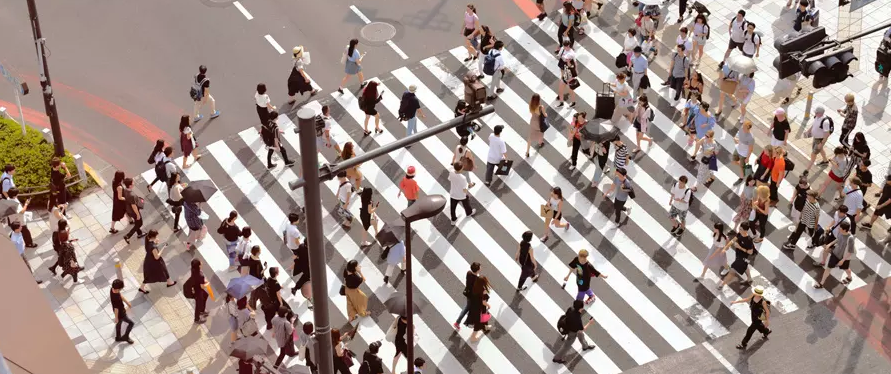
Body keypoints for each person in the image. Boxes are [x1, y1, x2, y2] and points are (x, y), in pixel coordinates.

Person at [137, 230, 176, 294]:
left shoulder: (147, 240)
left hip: (149, 261)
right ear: (153, 237)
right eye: (156, 236)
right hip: (155, 263)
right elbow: (157, 257)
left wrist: (155, 243)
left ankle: (142, 287)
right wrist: (164, 247)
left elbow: (150, 249)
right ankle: (169, 282)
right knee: (164, 270)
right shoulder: (153, 247)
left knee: (149, 275)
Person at [715, 223, 753, 288]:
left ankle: (721, 285)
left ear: (745, 231)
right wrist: (726, 247)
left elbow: (750, 252)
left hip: (742, 258)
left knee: (732, 272)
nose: (739, 230)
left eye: (741, 229)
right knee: (745, 266)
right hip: (738, 256)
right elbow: (733, 240)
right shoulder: (739, 234)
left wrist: (739, 247)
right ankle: (749, 279)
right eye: (739, 228)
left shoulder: (749, 240)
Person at [803, 107, 832, 173]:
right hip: (816, 138)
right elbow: (814, 125)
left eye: (816, 112)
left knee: (813, 154)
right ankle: (825, 161)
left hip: (820, 140)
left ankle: (807, 170)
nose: (815, 113)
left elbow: (827, 134)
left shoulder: (825, 122)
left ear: (820, 113)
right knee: (820, 150)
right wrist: (808, 131)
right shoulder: (817, 117)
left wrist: (821, 143)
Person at [454, 262, 481, 330]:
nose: (480, 268)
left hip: (468, 294)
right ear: (477, 270)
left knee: (468, 307)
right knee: (470, 309)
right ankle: (458, 322)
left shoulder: (469, 273)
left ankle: (458, 322)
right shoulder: (477, 279)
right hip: (473, 297)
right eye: (479, 267)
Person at [467, 276, 492, 342]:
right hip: (480, 309)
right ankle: (473, 337)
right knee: (478, 323)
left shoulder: (474, 288)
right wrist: (488, 305)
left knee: (484, 317)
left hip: (475, 307)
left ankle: (485, 327)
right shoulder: (483, 291)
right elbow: (483, 302)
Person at [110, 279, 134, 344]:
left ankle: (118, 337)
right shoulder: (116, 297)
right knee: (131, 323)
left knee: (119, 323)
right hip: (121, 313)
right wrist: (116, 317)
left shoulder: (112, 289)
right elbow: (116, 309)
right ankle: (126, 337)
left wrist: (127, 302)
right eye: (120, 289)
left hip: (119, 312)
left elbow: (119, 295)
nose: (120, 290)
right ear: (117, 289)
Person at [122, 178, 146, 244]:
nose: (133, 183)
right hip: (133, 211)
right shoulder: (131, 195)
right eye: (132, 182)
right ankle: (128, 236)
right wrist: (138, 214)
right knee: (139, 223)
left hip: (128, 210)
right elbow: (134, 206)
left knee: (136, 222)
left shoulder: (125, 190)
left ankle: (139, 233)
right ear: (130, 185)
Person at [188, 259, 210, 323]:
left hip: (195, 287)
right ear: (198, 266)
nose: (201, 263)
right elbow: (202, 286)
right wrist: (207, 284)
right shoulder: (200, 275)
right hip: (198, 290)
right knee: (198, 304)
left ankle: (202, 311)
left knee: (205, 295)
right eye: (200, 263)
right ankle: (197, 319)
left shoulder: (193, 269)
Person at [557, 44, 579, 108]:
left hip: (570, 79)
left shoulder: (571, 64)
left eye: (566, 58)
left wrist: (568, 62)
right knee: (560, 90)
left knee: (570, 91)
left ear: (569, 59)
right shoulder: (566, 63)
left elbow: (571, 67)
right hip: (565, 77)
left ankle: (573, 102)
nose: (565, 59)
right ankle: (561, 103)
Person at [528, 94, 547, 158]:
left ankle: (527, 151)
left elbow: (531, 112)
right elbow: (545, 115)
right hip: (538, 123)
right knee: (541, 133)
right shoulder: (541, 107)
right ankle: (540, 143)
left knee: (531, 135)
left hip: (532, 121)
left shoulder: (530, 105)